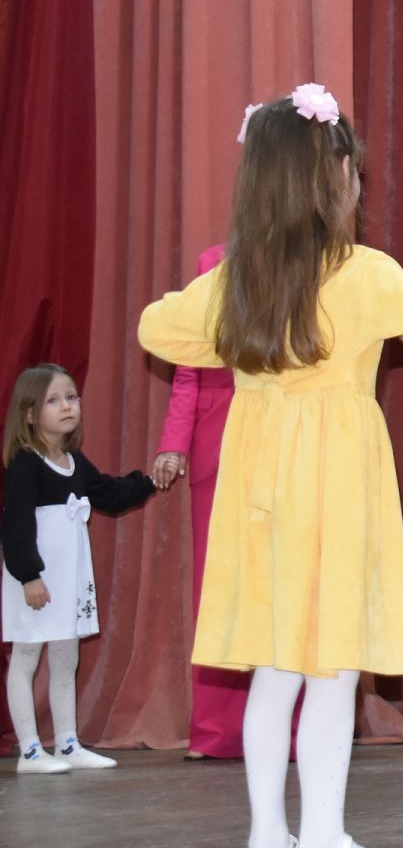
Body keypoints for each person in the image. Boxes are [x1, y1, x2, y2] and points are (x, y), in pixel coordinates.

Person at [139, 84, 403, 848]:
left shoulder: (236, 280)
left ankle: (265, 846)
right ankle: (322, 846)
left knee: (274, 668)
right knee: (333, 667)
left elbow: (158, 327)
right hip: (337, 480)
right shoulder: (364, 273)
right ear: (337, 176)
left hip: (259, 481)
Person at [2, 363, 161, 773]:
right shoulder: (26, 463)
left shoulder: (72, 459)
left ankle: (68, 742)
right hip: (36, 579)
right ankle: (30, 751)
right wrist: (29, 575)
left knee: (65, 656)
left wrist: (149, 482)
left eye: (71, 397)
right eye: (53, 400)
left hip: (68, 577)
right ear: (31, 414)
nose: (67, 406)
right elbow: (16, 524)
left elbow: (107, 492)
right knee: (26, 655)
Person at [154, 243, 250, 760]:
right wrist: (173, 444)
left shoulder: (301, 265)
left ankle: (299, 731)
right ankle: (215, 732)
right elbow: (187, 373)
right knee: (218, 593)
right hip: (215, 448)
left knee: (286, 589)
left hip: (280, 448)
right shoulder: (211, 268)